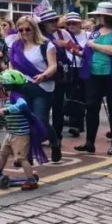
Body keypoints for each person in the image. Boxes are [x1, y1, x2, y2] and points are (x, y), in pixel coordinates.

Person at [75, 2, 112, 156]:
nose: (99, 18)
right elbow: (87, 50)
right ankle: (89, 142)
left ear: (108, 16)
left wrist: (93, 45)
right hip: (94, 74)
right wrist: (76, 51)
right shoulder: (97, 30)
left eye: (101, 15)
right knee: (91, 108)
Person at [8, 15, 62, 163]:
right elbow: (11, 66)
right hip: (22, 87)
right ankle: (27, 156)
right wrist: (6, 79)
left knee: (40, 121)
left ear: (34, 29)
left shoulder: (46, 45)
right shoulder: (15, 46)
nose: (24, 32)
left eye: (27, 29)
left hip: (42, 88)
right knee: (24, 121)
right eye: (21, 29)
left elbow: (53, 66)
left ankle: (55, 143)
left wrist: (43, 75)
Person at [0, 70, 48, 191]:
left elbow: (22, 105)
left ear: (5, 86)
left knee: (21, 158)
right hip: (11, 133)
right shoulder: (9, 99)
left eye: (1, 86)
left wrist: (4, 111)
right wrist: (0, 116)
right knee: (3, 154)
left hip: (21, 134)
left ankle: (31, 180)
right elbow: (7, 116)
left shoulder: (17, 96)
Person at [37, 9, 72, 142]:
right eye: (50, 22)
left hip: (59, 76)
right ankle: (42, 133)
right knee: (43, 108)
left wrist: (67, 45)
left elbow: (77, 49)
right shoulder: (38, 36)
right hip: (43, 75)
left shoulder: (63, 33)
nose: (54, 24)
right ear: (43, 24)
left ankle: (56, 135)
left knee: (58, 107)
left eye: (55, 20)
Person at [64, 12, 88, 138]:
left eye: (74, 23)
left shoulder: (88, 35)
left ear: (80, 23)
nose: (72, 25)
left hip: (84, 68)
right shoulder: (64, 35)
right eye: (69, 23)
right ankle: (75, 124)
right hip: (69, 68)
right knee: (72, 96)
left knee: (83, 96)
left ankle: (80, 122)